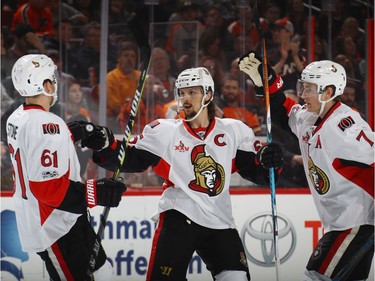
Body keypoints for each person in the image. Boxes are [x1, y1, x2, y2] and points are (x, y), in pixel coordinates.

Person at [70, 66, 283, 281]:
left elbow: (258, 172)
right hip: (179, 216)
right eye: (181, 93)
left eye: (192, 92)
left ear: (208, 94)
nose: (185, 99)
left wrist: (268, 161)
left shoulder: (234, 131)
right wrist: (105, 145)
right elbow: (131, 158)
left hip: (220, 220)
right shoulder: (165, 132)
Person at [239, 52, 374, 281]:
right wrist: (267, 81)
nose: (302, 94)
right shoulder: (309, 118)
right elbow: (283, 112)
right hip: (340, 224)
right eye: (303, 87)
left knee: (314, 276)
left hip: (354, 225)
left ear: (328, 92)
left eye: (309, 89)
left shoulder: (344, 127)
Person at [6, 54, 126, 280]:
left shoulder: (16, 118)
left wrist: (70, 133)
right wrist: (96, 192)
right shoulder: (47, 123)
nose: (56, 84)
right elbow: (47, 188)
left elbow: (35, 149)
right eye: (53, 79)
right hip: (53, 225)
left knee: (102, 270)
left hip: (65, 216)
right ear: (46, 84)